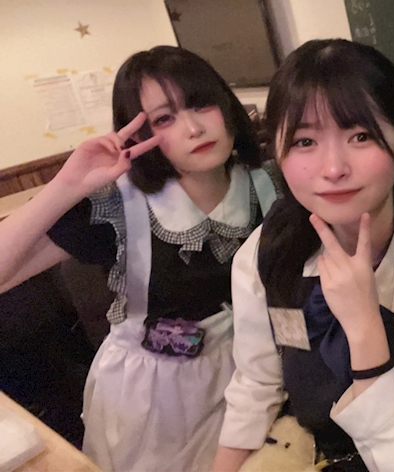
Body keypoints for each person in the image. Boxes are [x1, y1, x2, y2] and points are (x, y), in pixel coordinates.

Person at [0, 46, 278, 471]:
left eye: (201, 104)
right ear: (138, 134)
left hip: (252, 382)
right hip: (153, 398)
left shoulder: (271, 186)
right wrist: (67, 185)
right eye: (164, 119)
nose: (193, 128)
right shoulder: (121, 205)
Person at [214, 39, 394, 472]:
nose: (333, 168)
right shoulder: (267, 252)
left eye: (360, 136)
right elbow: (258, 384)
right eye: (304, 141)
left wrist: (363, 327)